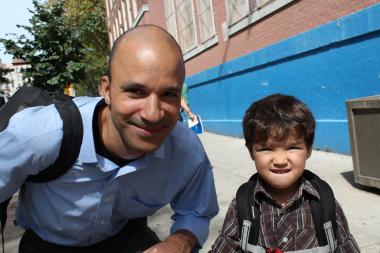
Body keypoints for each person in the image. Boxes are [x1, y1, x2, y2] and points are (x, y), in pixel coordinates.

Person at [0, 25, 218, 253]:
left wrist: (179, 242)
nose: (153, 114)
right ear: (106, 89)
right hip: (48, 242)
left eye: (169, 94)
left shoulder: (185, 151)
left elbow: (196, 210)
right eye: (136, 91)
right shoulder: (41, 135)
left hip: (123, 234)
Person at [209, 94, 359, 252]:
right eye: (266, 149)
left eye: (292, 147)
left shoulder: (325, 202)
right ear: (251, 152)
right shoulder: (242, 206)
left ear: (308, 150)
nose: (280, 160)